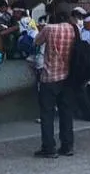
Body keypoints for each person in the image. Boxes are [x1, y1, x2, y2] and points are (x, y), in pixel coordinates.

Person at [33, 12, 77, 158]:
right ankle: (67, 146)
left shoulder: (49, 28)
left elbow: (36, 42)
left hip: (50, 76)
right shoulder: (73, 28)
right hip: (68, 77)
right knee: (66, 112)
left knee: (47, 113)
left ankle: (49, 147)